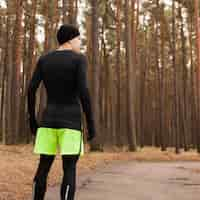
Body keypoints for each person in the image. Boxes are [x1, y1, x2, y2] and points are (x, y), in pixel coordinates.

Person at [27, 24, 96, 200]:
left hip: (48, 121)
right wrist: (90, 123)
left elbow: (31, 89)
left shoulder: (44, 59)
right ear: (71, 39)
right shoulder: (79, 59)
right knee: (69, 169)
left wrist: (32, 120)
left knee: (43, 167)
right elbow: (84, 92)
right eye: (79, 39)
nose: (80, 42)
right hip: (71, 123)